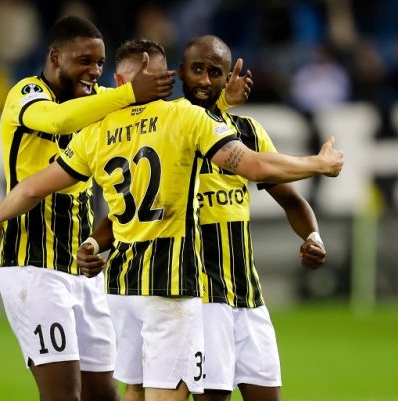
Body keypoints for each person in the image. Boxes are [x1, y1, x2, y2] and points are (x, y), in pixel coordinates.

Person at [0, 38, 343, 401]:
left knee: (133, 390)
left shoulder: (97, 130)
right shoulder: (185, 119)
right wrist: (320, 163)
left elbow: (33, 188)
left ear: (119, 83)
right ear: (170, 77)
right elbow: (253, 164)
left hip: (123, 287)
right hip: (171, 286)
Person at [79, 35, 327, 401]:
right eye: (197, 70)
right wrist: (94, 242)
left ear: (228, 79)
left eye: (215, 73)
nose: (205, 80)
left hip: (247, 296)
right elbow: (129, 212)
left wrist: (314, 236)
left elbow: (290, 201)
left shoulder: (247, 132)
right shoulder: (173, 127)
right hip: (200, 298)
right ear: (179, 73)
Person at [0, 16, 175, 401]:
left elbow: (162, 120)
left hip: (83, 267)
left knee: (103, 393)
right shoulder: (25, 93)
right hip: (33, 267)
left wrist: (222, 101)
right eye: (84, 61)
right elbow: (59, 121)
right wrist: (127, 95)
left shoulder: (98, 101)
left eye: (99, 62)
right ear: (55, 57)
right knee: (63, 395)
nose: (94, 72)